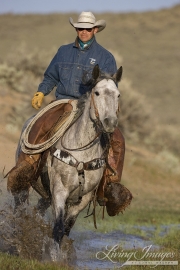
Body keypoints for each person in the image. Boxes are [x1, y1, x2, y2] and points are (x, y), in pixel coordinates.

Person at [7, 12, 127, 213]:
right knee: (37, 125)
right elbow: (50, 76)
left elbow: (109, 88)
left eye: (88, 28)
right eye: (80, 28)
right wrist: (40, 91)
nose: (84, 32)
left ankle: (109, 186)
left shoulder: (106, 57)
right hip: (62, 103)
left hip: (91, 106)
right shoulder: (63, 52)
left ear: (95, 30)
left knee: (118, 140)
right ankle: (25, 169)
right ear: (76, 29)